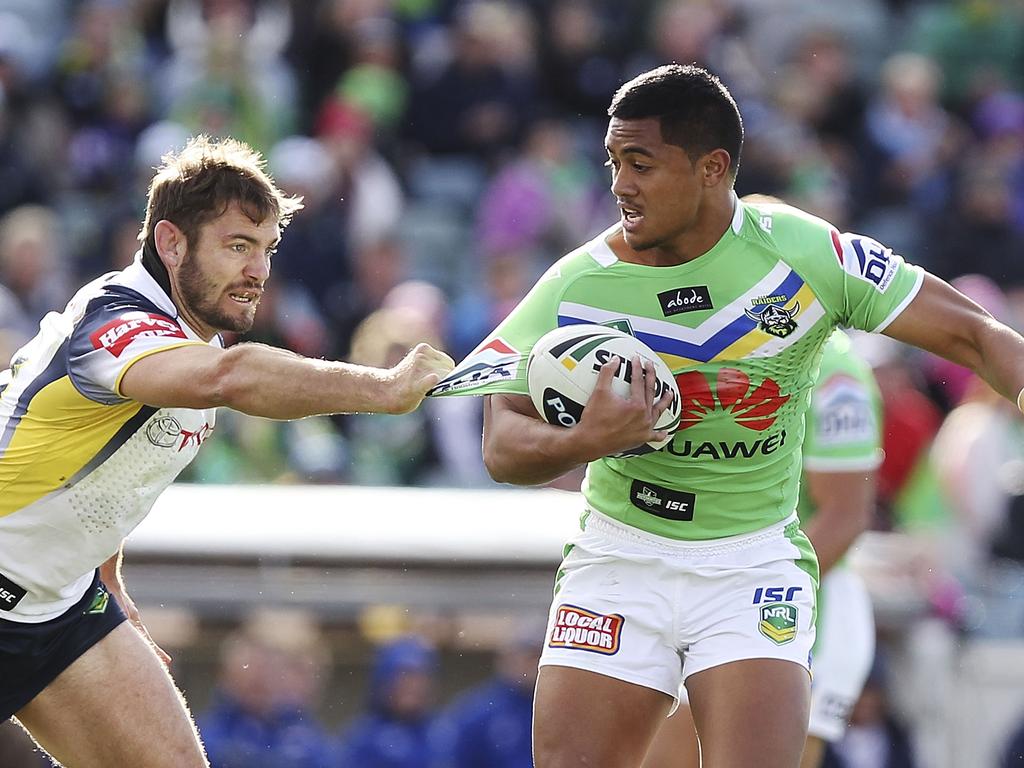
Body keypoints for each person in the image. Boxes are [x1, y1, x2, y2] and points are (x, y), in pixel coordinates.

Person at [426, 63, 1024, 768]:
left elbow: (977, 335)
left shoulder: (804, 253)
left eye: (641, 163)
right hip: (621, 556)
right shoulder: (577, 282)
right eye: (614, 162)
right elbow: (500, 442)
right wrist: (587, 440)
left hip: (751, 564)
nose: (619, 184)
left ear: (712, 168)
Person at [0, 134, 454, 768]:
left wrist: (109, 577)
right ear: (170, 242)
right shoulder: (117, 320)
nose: (258, 270)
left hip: (61, 606)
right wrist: (383, 387)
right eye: (238, 246)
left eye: (266, 249)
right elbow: (232, 379)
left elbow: (107, 464)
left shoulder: (188, 339)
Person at [642, 327, 881, 768]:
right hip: (694, 587)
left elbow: (845, 517)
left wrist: (732, 593)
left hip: (799, 610)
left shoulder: (835, 373)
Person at [198, 611, 334, 768]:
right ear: (224, 676)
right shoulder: (205, 734)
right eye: (247, 669)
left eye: (263, 669)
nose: (258, 680)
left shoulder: (306, 739)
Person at [435, 620, 544, 768]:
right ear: (506, 658)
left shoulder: (553, 707)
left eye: (538, 655)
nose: (532, 664)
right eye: (527, 655)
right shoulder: (478, 710)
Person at [335, 634, 444, 768]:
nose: (411, 688)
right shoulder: (361, 738)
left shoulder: (443, 734)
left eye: (418, 680)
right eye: (403, 679)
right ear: (383, 683)